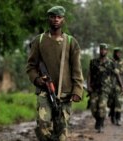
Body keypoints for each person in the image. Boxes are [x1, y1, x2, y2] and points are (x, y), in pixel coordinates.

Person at [26, 6, 84, 141]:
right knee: (42, 127)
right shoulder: (39, 41)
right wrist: (36, 79)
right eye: (53, 17)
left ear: (63, 19)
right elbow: (31, 66)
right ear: (48, 19)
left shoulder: (71, 42)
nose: (56, 20)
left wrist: (77, 90)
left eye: (59, 17)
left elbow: (77, 69)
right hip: (44, 91)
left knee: (62, 133)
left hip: (65, 93)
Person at [87, 43, 115, 133]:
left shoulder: (111, 63)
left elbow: (115, 75)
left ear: (107, 51)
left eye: (105, 49)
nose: (103, 51)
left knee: (102, 107)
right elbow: (89, 75)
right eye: (101, 49)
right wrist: (88, 86)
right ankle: (98, 120)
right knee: (93, 108)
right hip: (94, 88)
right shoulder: (93, 62)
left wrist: (119, 86)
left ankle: (100, 124)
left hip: (105, 89)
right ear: (99, 50)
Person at [108, 47, 123, 126]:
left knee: (119, 102)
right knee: (112, 103)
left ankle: (118, 118)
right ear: (114, 53)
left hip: (120, 85)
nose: (118, 54)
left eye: (120, 53)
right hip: (110, 84)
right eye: (117, 53)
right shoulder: (110, 62)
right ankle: (112, 115)